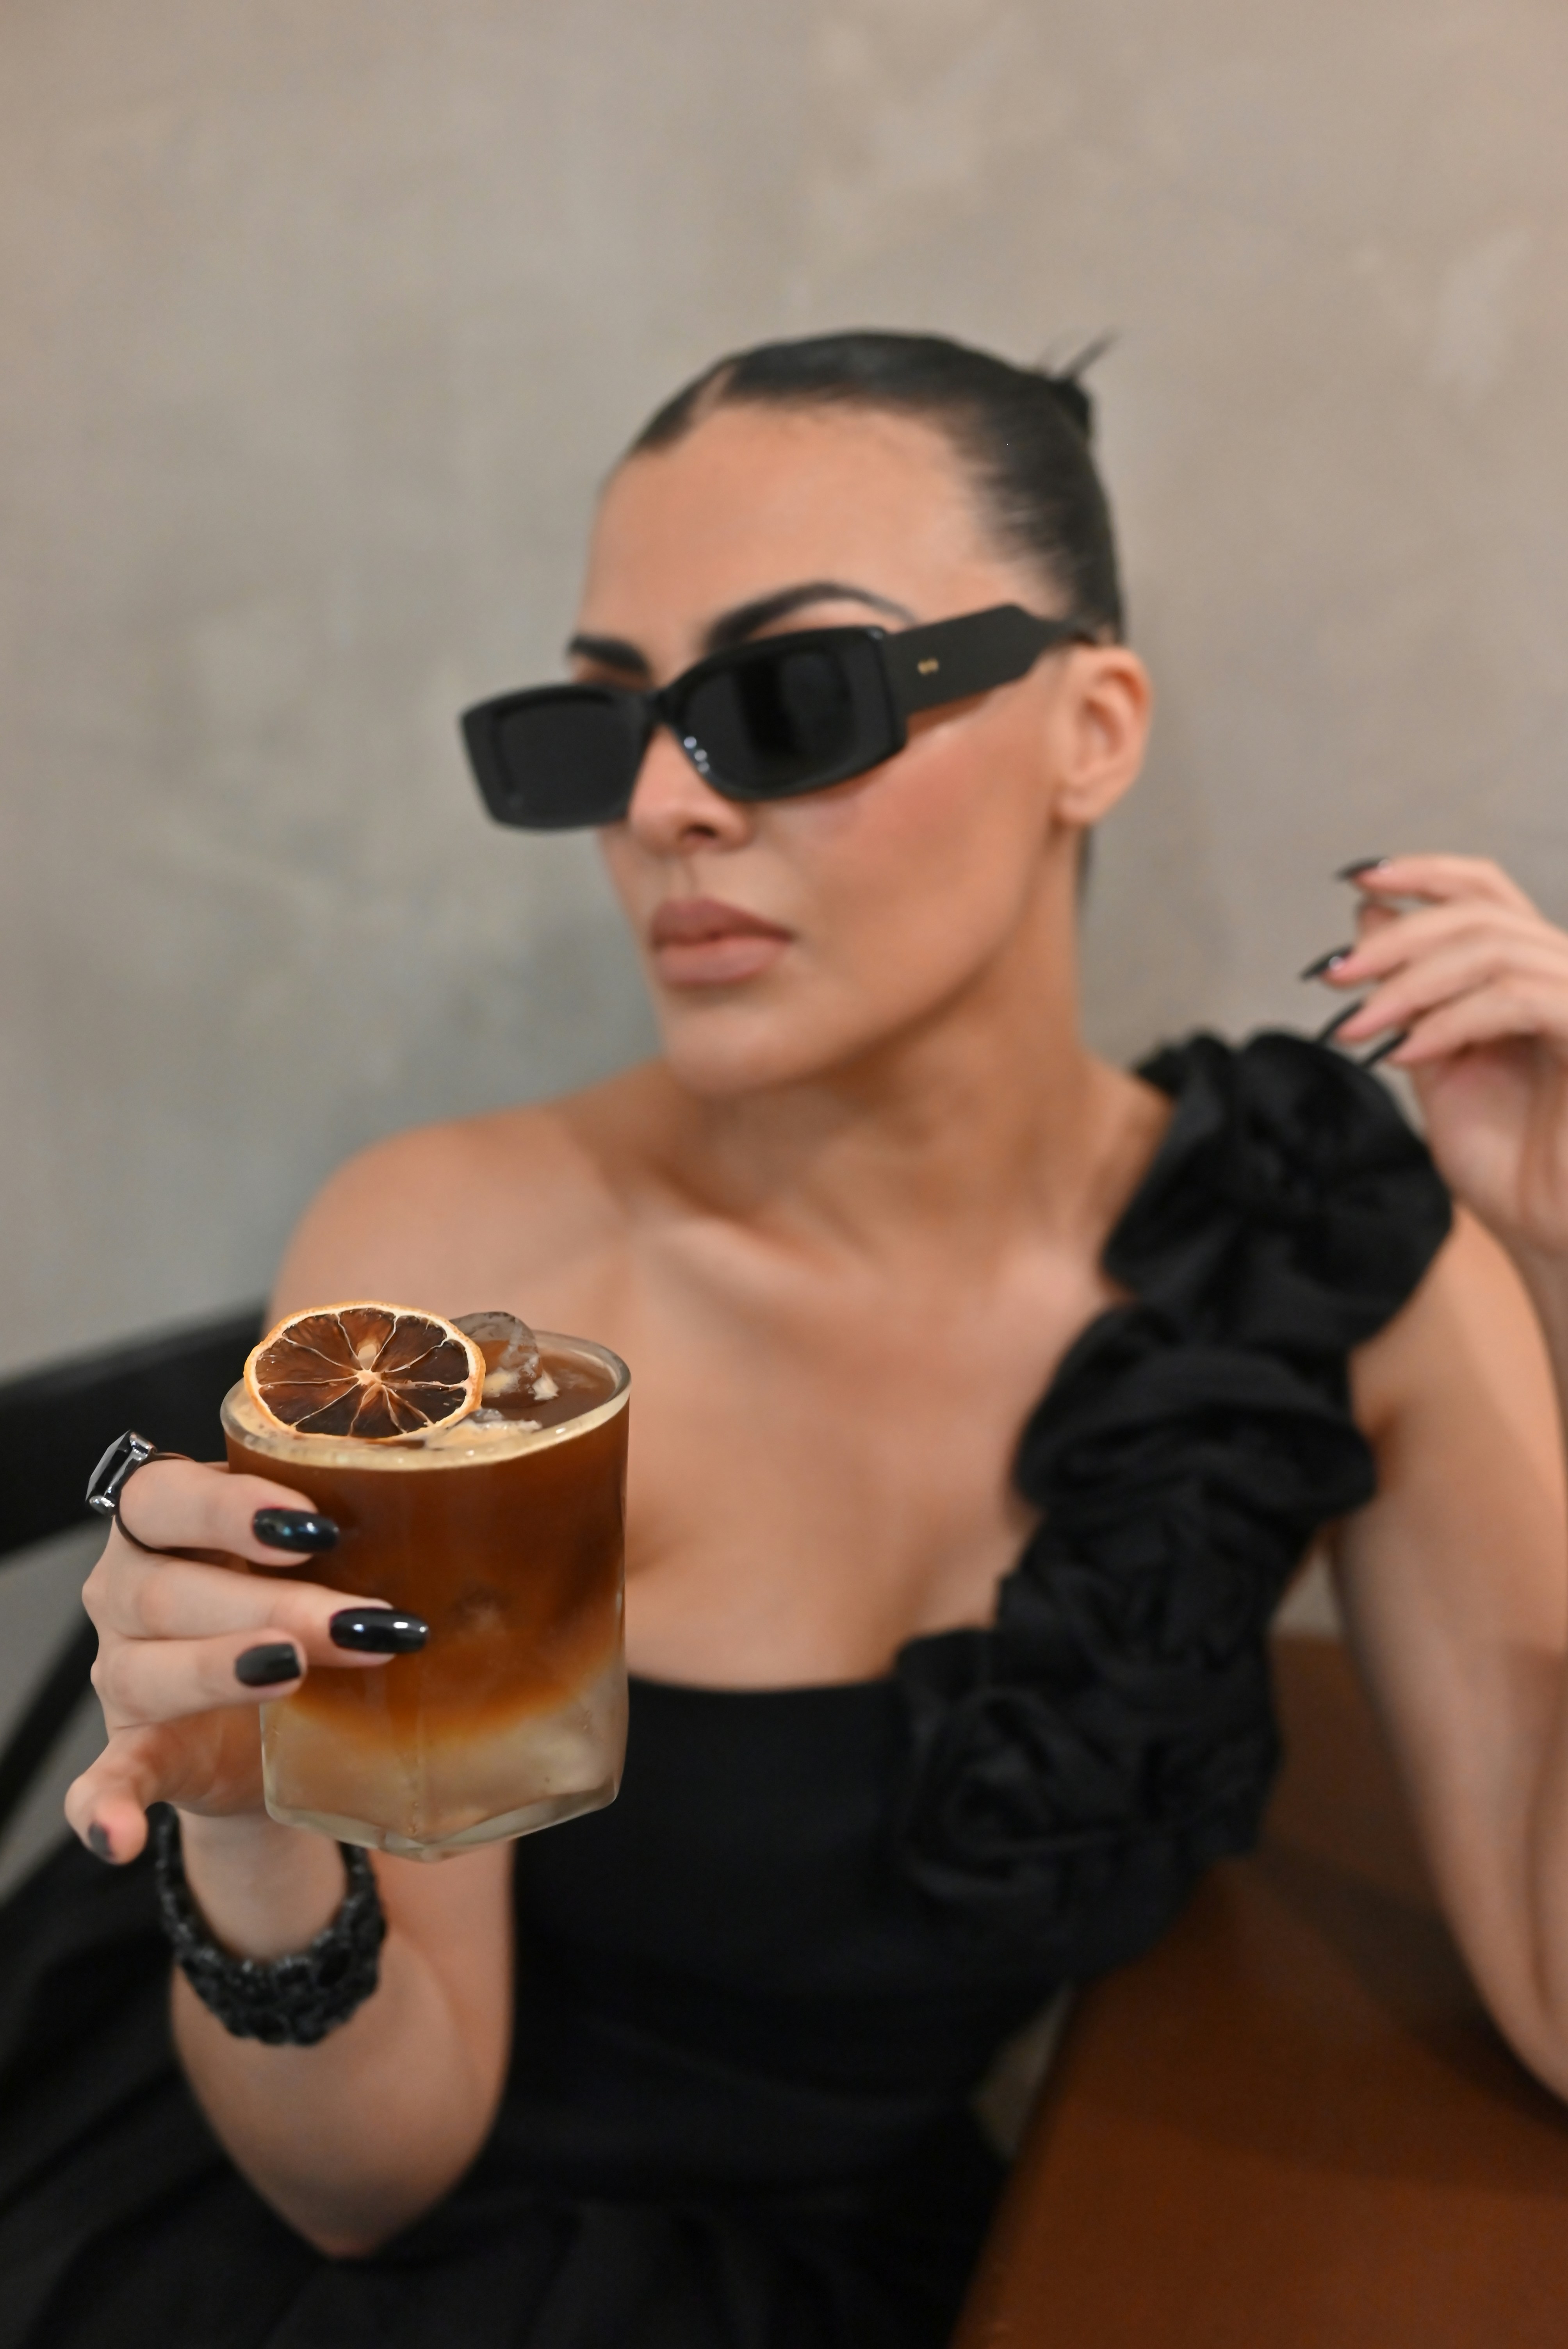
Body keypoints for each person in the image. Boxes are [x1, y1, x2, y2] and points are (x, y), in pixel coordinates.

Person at [4, 330, 1568, 2349]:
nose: (664, 808)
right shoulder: (470, 1284)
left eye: (790, 699)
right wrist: (250, 1825)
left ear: (1092, 727)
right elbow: (365, 2178)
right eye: (599, 734)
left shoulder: (1314, 1266)